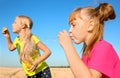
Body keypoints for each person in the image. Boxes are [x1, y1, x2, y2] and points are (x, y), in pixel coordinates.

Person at [58, 3, 120, 78]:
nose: (70, 30)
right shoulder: (87, 52)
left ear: (90, 25)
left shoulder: (103, 47)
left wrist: (68, 46)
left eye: (73, 25)